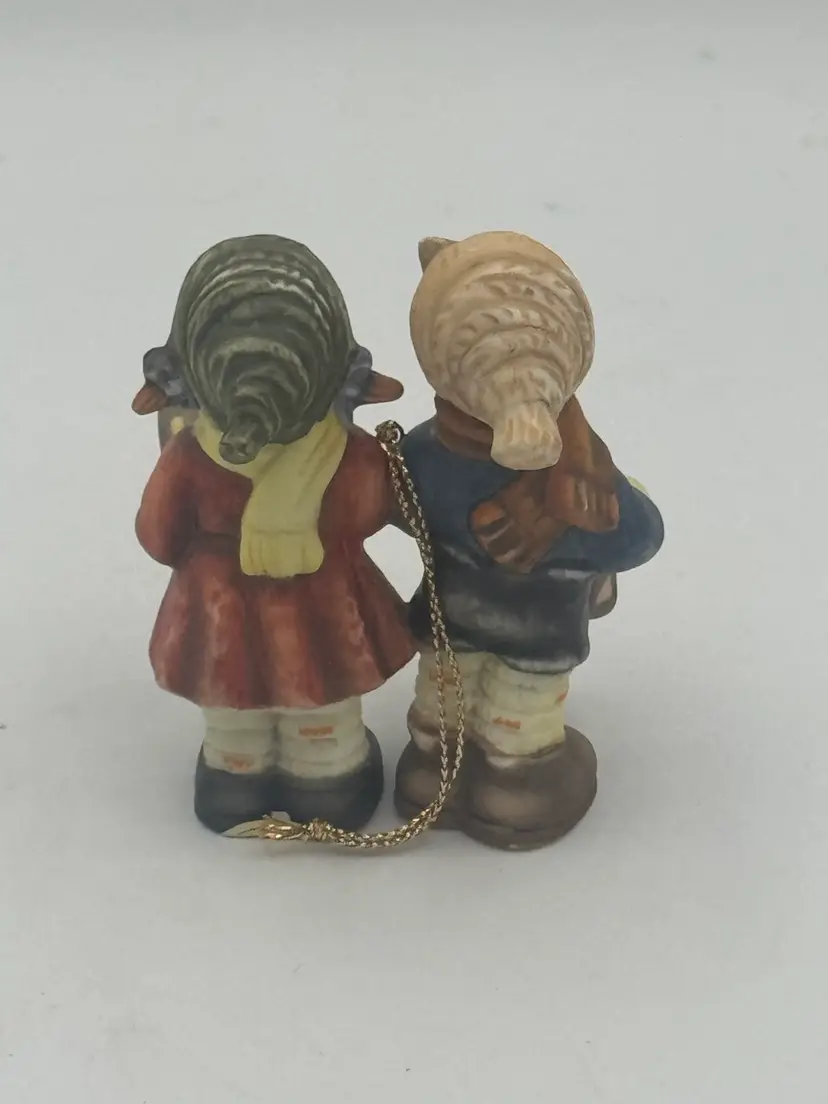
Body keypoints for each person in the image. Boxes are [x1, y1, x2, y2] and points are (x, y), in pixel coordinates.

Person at [134, 235, 415, 834]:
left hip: (217, 615)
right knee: (323, 702)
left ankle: (235, 778)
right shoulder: (350, 455)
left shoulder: (188, 457)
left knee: (232, 710)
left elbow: (158, 536)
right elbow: (369, 510)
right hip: (326, 612)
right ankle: (329, 776)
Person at [395, 231, 665, 851]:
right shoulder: (590, 487)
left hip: (450, 618)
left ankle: (436, 768)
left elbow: (398, 506)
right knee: (514, 719)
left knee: (443, 705)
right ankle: (511, 781)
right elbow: (638, 539)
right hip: (538, 632)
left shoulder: (427, 454)